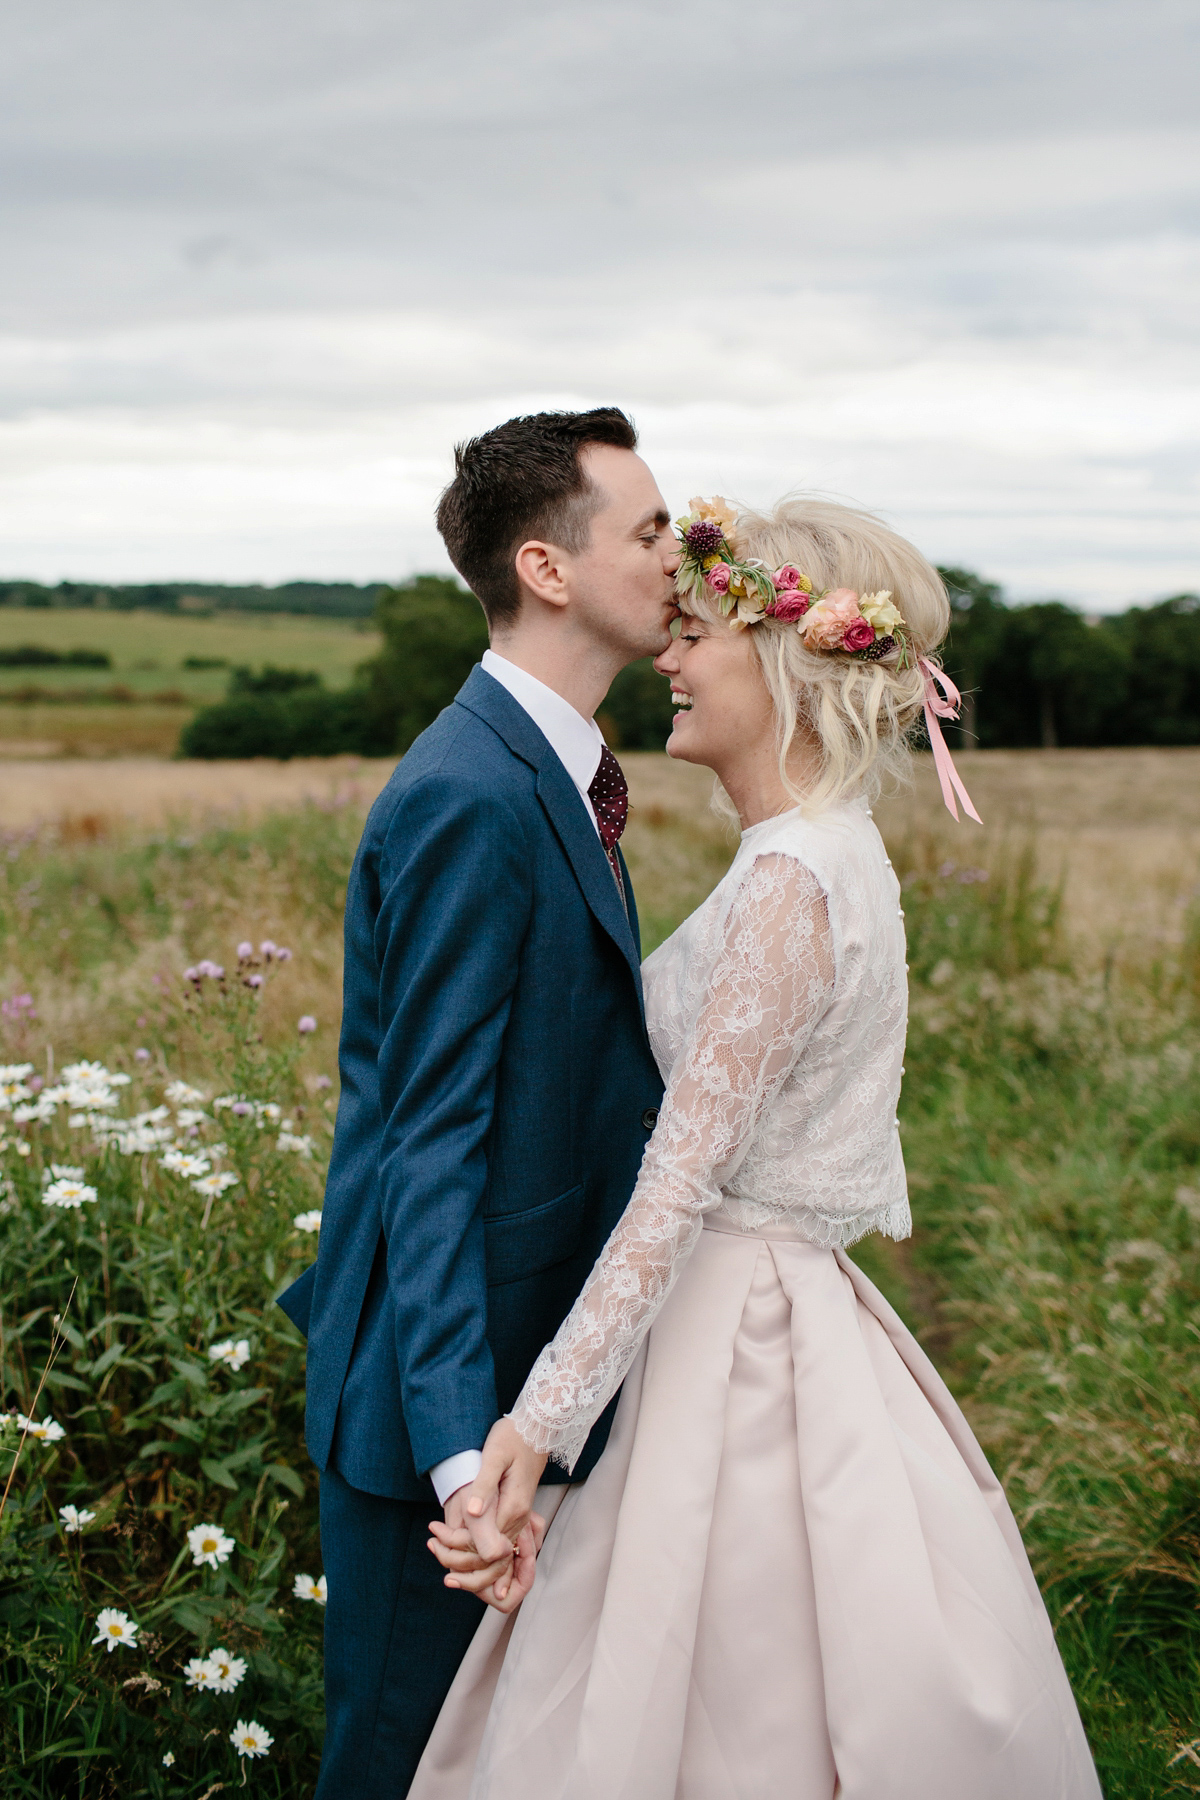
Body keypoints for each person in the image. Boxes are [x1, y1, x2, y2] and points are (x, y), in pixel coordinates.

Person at [416, 496, 1102, 1799]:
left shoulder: (796, 880)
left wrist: (532, 1429)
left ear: (789, 661)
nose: (666, 660)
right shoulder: (820, 856)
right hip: (776, 1316)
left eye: (696, 636)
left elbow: (679, 1180)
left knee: (711, 1691)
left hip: (730, 1340)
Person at [277, 407, 681, 1797]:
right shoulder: (473, 794)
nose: (680, 554)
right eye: (648, 528)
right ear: (548, 568)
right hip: (435, 1413)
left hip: (530, 1380)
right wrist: (460, 1454)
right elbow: (426, 1142)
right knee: (395, 1768)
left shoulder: (558, 775)